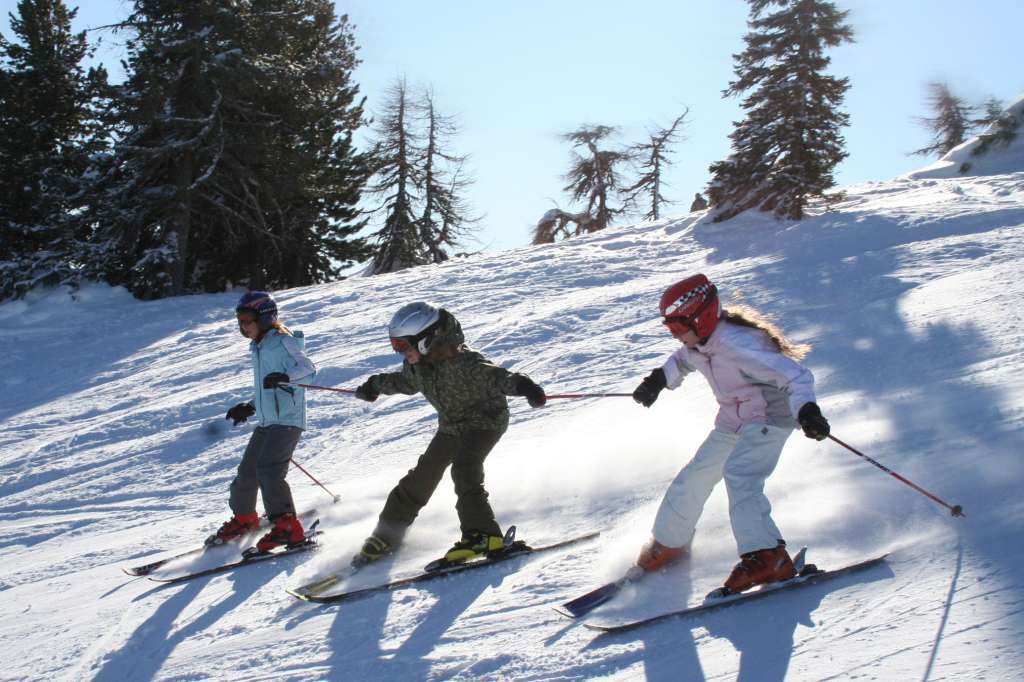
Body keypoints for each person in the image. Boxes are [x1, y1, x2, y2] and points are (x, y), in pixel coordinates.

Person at [630, 274, 830, 595]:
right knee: (696, 474)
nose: (675, 334)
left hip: (770, 417)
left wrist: (807, 411)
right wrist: (657, 380)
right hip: (732, 421)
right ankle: (670, 544)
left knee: (740, 475)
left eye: (679, 326)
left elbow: (795, 377)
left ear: (701, 316)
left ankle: (767, 556)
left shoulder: (741, 344)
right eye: (670, 328)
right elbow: (682, 360)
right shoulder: (697, 343)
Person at [352, 302, 547, 566]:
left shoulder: (467, 362)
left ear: (426, 339)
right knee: (422, 476)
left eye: (402, 345)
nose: (399, 352)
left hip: (484, 422)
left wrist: (525, 386)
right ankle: (387, 535)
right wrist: (373, 386)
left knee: (464, 469)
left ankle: (483, 536)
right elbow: (402, 383)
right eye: (395, 345)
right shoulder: (417, 368)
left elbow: (500, 378)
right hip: (452, 426)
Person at [211, 291, 317, 553]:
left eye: (247, 319)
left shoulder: (283, 341)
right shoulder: (258, 346)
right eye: (240, 320)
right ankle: (245, 519)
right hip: (268, 420)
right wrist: (250, 406)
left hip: (288, 420)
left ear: (266, 317)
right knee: (247, 472)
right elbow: (266, 387)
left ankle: (288, 527)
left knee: (269, 470)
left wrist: (286, 375)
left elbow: (309, 369)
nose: (243, 325)